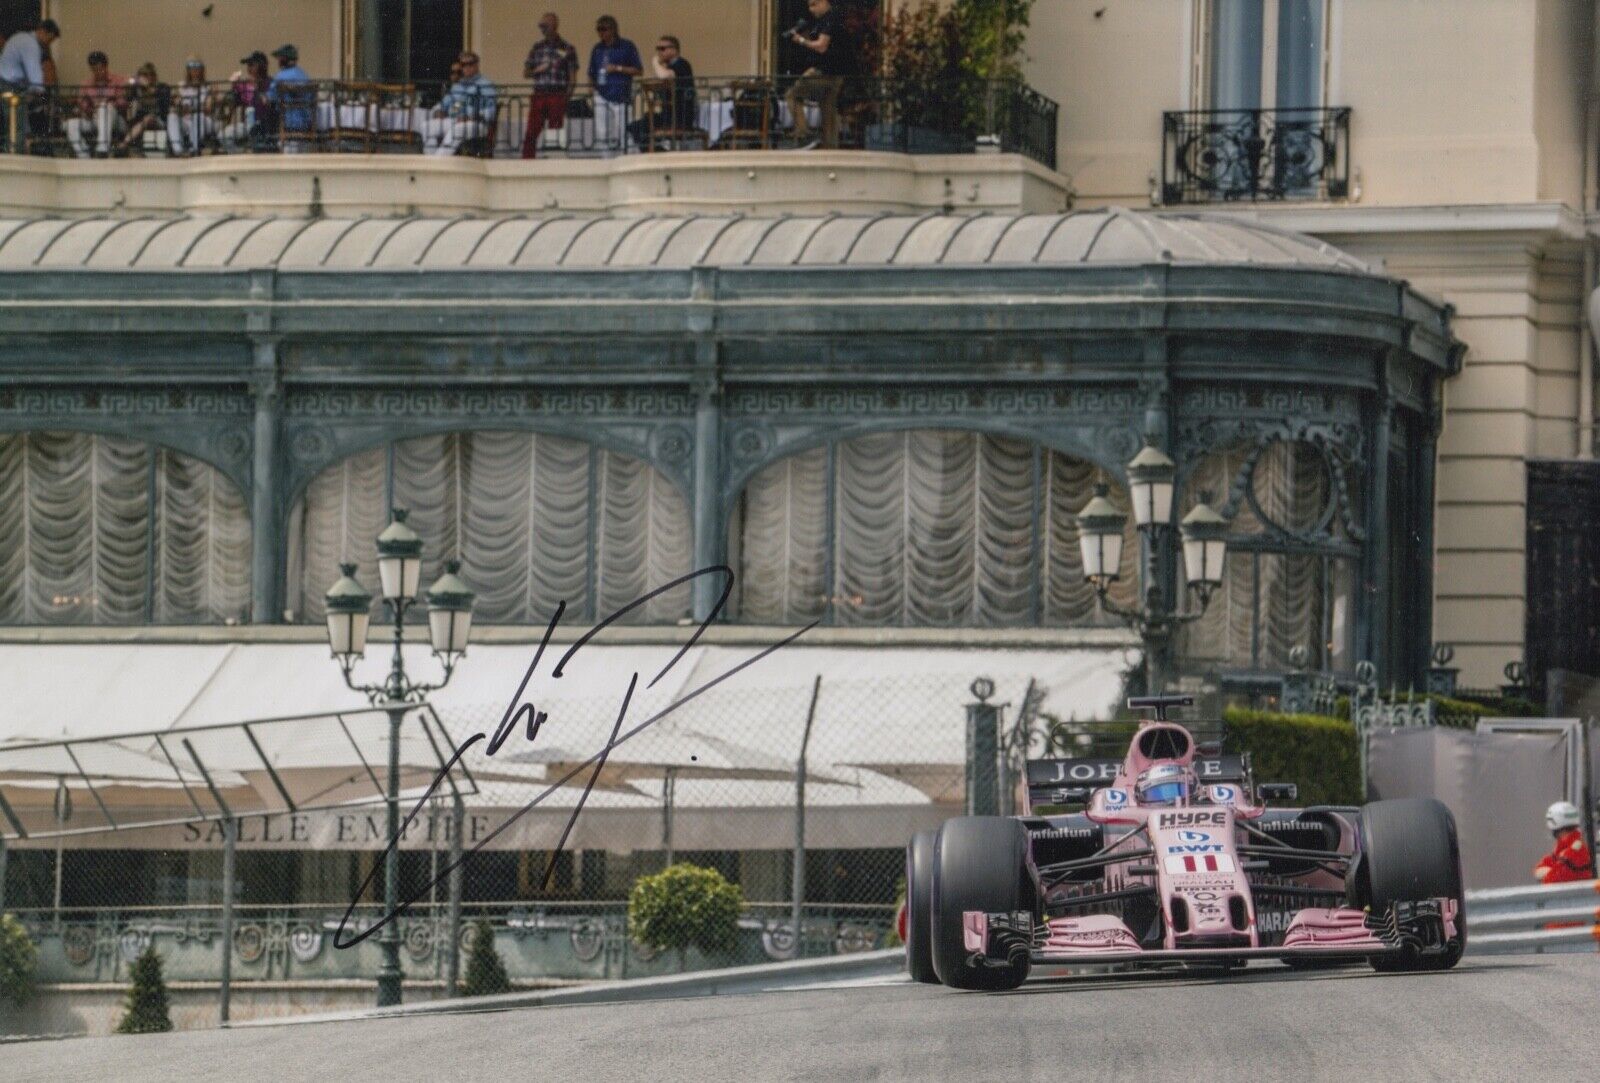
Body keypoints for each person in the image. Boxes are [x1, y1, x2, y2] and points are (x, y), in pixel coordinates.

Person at [784, 0, 853, 150]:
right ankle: (831, 148)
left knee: (792, 95)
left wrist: (801, 40)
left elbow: (821, 46)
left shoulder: (830, 19)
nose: (811, 9)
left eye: (814, 4)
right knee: (828, 109)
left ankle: (804, 134)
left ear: (824, 2)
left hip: (823, 72)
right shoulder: (831, 19)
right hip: (836, 75)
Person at [521, 12, 578, 159]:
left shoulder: (567, 48)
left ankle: (554, 162)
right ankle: (527, 163)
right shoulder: (537, 47)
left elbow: (572, 76)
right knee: (531, 131)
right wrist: (537, 70)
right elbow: (526, 73)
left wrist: (567, 97)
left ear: (555, 26)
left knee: (555, 130)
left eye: (545, 25)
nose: (542, 29)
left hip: (557, 94)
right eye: (541, 26)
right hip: (539, 93)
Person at [0, 18, 61, 153]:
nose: (49, 44)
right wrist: (41, 93)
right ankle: (17, 157)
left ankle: (11, 153)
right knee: (18, 125)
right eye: (50, 39)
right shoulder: (31, 44)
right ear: (43, 32)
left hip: (7, 83)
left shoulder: (21, 38)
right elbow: (35, 77)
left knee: (10, 124)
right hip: (9, 85)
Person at [627, 35, 695, 151]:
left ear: (674, 50)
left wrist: (655, 62)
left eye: (662, 49)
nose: (659, 52)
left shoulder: (681, 64)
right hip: (668, 115)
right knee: (636, 127)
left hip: (680, 116)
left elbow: (664, 75)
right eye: (657, 49)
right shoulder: (670, 66)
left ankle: (658, 153)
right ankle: (657, 152)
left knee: (640, 128)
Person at [587, 15, 641, 158]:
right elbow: (591, 71)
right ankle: (606, 160)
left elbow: (638, 70)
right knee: (601, 131)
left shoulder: (627, 46)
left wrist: (617, 68)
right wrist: (591, 89)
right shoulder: (597, 49)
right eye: (598, 30)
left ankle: (629, 158)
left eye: (604, 29)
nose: (601, 33)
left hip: (621, 94)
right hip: (601, 93)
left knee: (624, 130)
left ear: (613, 29)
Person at [428, 51, 497, 156]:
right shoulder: (458, 85)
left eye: (470, 64)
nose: (467, 67)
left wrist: (471, 117)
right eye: (463, 65)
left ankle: (437, 164)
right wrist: (438, 111)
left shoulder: (485, 84)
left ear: (477, 65)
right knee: (428, 126)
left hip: (477, 124)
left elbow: (491, 112)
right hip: (455, 119)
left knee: (456, 131)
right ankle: (428, 162)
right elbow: (443, 104)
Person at [65, 50, 125, 158]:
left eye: (100, 69)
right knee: (71, 124)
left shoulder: (118, 80)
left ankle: (103, 147)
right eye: (94, 70)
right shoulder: (87, 84)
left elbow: (122, 103)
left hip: (115, 118)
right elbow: (82, 104)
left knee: (104, 107)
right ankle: (83, 155)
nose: (98, 72)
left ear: (106, 67)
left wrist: (106, 103)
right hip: (94, 117)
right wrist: (90, 109)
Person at [265, 43, 313, 151]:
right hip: (306, 125)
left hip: (288, 125)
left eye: (279, 58)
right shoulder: (303, 75)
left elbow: (269, 99)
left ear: (284, 59)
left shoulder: (281, 77)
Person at [221, 51, 271, 152]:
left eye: (252, 65)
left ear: (261, 66)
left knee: (257, 135)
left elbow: (267, 102)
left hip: (264, 124)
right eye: (248, 65)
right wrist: (234, 87)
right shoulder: (246, 85)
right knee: (223, 136)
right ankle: (239, 156)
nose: (249, 68)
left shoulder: (269, 83)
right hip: (248, 124)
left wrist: (256, 87)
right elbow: (234, 100)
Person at [116, 63, 170, 156]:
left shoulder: (162, 87)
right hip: (140, 121)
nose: (148, 77)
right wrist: (130, 86)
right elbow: (127, 99)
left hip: (159, 119)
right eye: (144, 75)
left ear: (154, 76)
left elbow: (164, 105)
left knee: (148, 118)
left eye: (150, 75)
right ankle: (129, 147)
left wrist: (148, 88)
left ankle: (124, 143)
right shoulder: (137, 89)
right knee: (142, 119)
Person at [1533, 801, 1593, 884]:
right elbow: (1538, 869)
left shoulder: (1575, 850)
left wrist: (1547, 872)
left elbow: (1552, 880)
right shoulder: (1563, 847)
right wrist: (1550, 871)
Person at [167, 56, 214, 156]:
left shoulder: (207, 87)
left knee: (198, 115)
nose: (195, 71)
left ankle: (194, 149)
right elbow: (177, 104)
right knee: (172, 116)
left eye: (198, 67)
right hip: (186, 120)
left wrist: (191, 109)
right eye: (192, 67)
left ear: (202, 70)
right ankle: (178, 150)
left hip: (204, 121)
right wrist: (181, 107)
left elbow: (208, 108)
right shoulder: (181, 86)